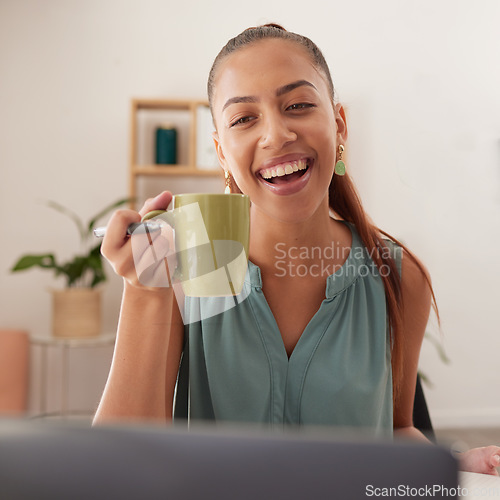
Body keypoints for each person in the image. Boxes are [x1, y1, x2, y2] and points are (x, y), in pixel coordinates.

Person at [94, 24, 500, 475]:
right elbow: (116, 468)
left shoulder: (397, 277)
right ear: (221, 153)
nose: (276, 134)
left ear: (339, 124)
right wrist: (147, 288)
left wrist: (450, 465)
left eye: (298, 105)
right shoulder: (188, 264)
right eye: (244, 118)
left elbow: (395, 427)